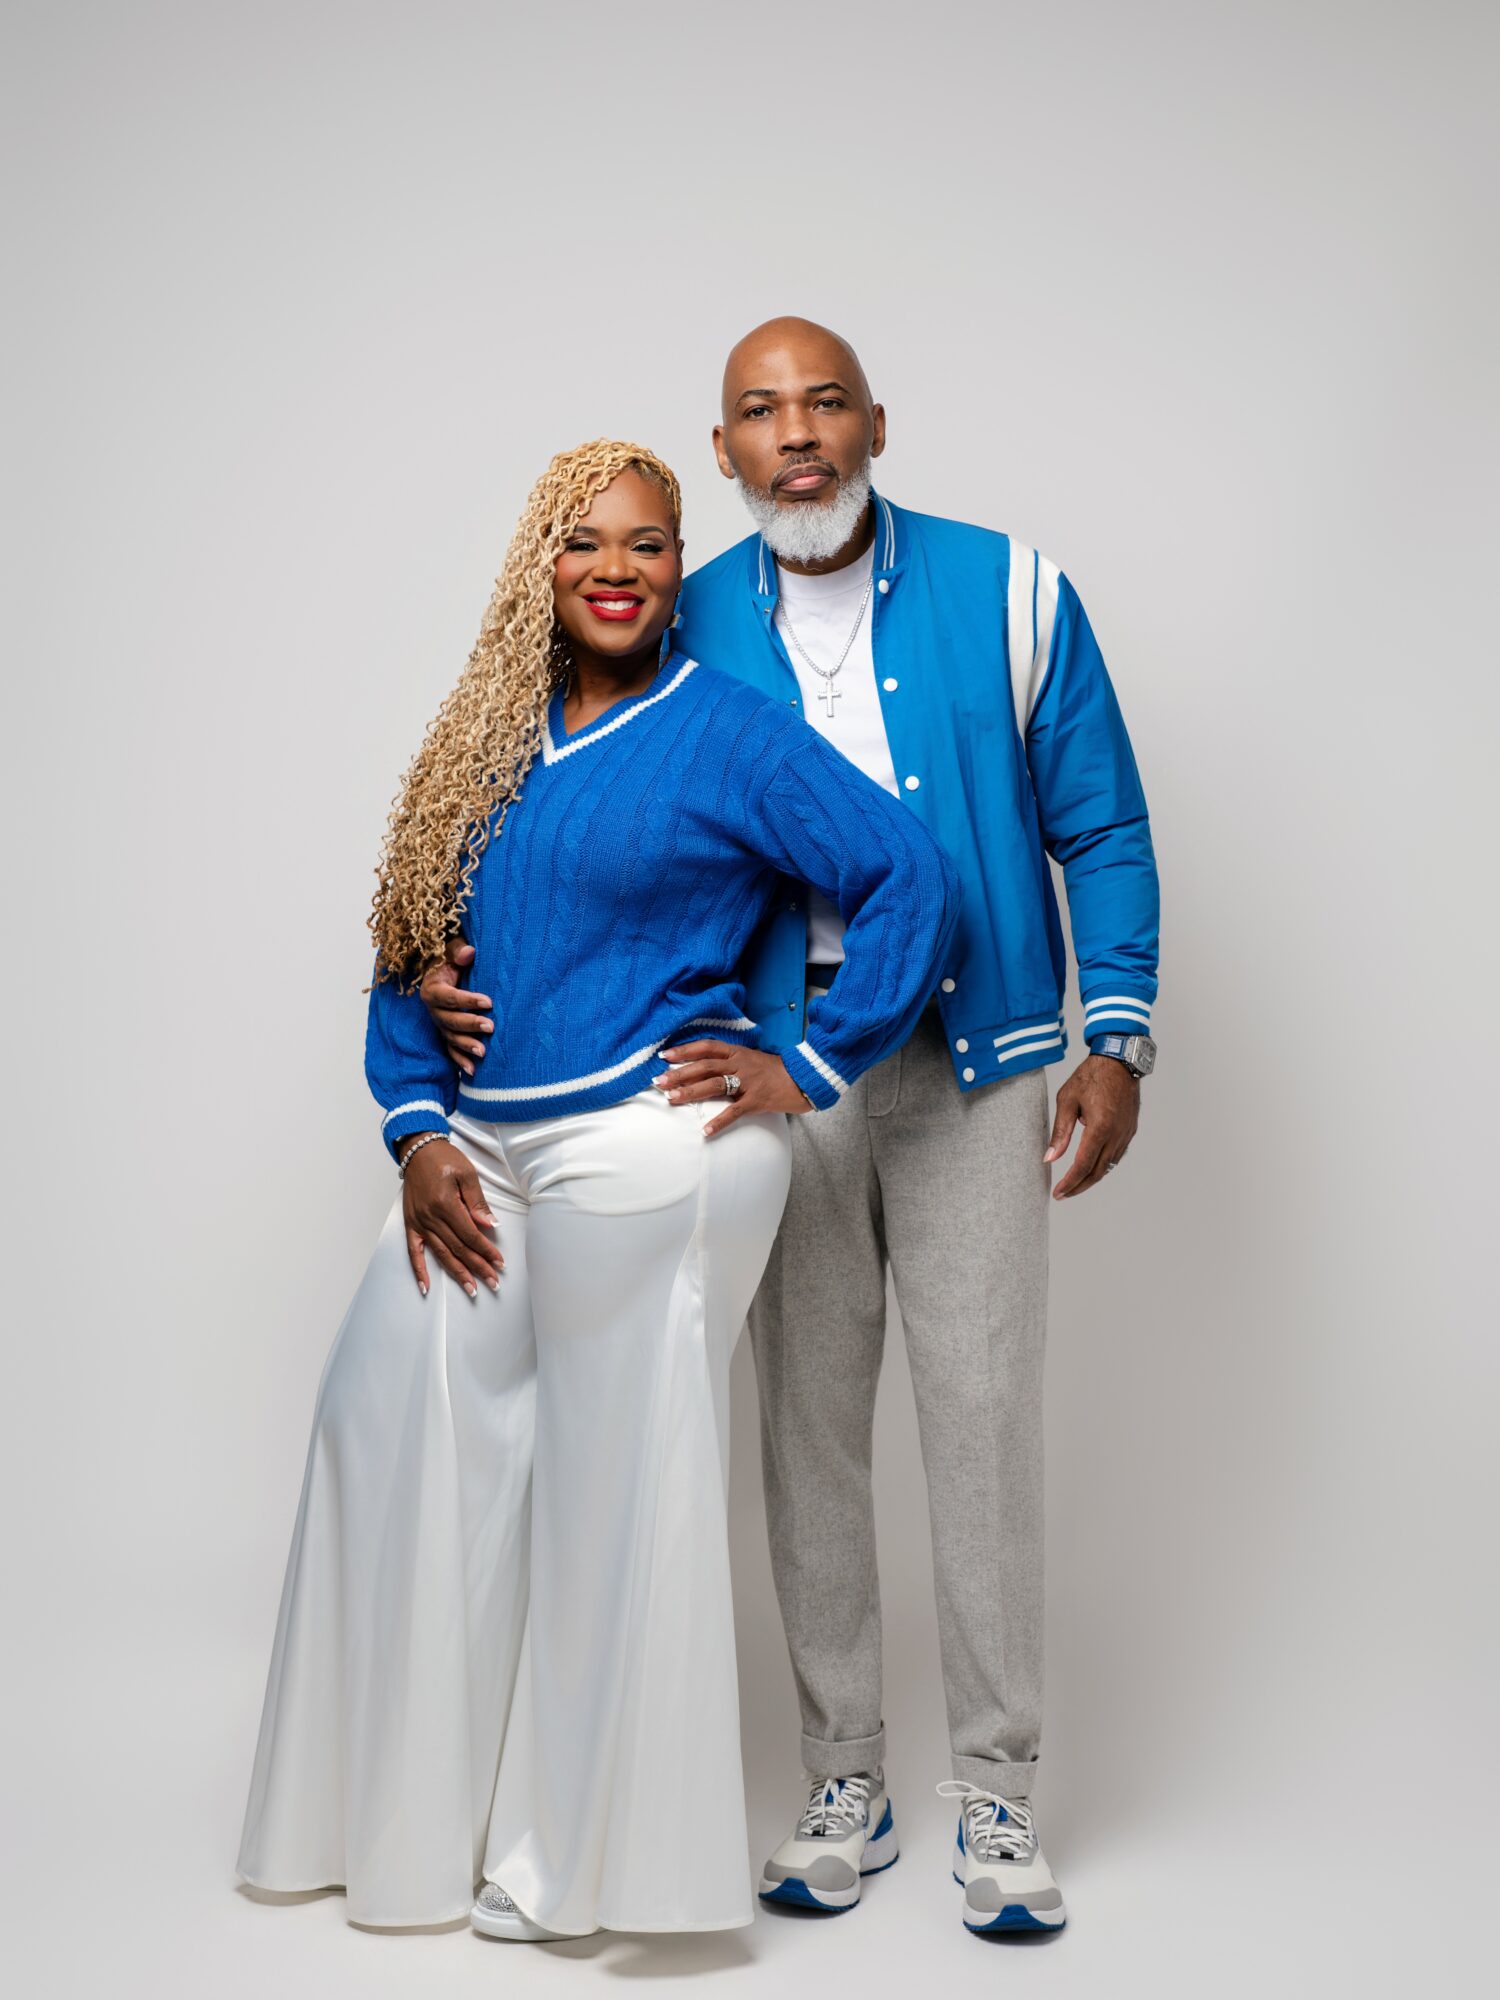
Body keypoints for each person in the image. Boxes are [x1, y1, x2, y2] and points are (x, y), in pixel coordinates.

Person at [420, 323, 1160, 1937]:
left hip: (975, 1061)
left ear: (875, 422)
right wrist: (426, 957)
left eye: (824, 401)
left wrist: (1119, 1031)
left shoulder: (1011, 588)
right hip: (764, 1069)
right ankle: (847, 1779)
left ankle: (1002, 1795)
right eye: (761, 414)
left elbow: (1097, 819)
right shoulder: (677, 615)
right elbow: (535, 794)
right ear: (727, 452)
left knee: (980, 1420)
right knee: (802, 1432)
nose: (798, 434)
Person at [235, 439, 960, 1940]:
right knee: (395, 1428)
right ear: (539, 569)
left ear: (672, 565)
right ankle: (394, 1828)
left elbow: (910, 875)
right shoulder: (480, 735)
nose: (618, 568)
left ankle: (582, 1870)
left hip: (652, 1141)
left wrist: (811, 1069)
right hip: (480, 1147)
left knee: (610, 1487)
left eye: (648, 542)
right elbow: (404, 944)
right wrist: (417, 1129)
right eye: (585, 542)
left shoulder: (730, 734)